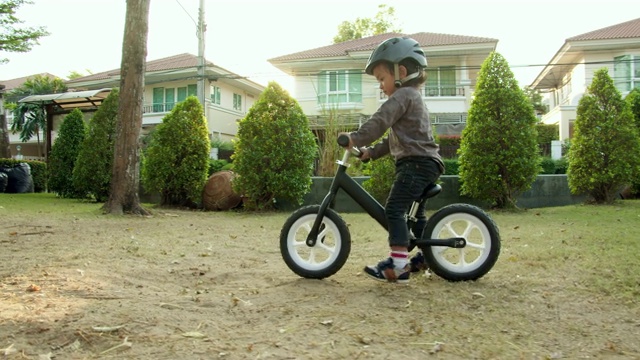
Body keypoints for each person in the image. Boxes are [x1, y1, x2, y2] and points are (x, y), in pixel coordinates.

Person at [340, 37, 444, 284]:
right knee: (414, 217)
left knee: (395, 209)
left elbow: (379, 122)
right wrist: (371, 152)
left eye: (381, 79)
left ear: (401, 72)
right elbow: (392, 138)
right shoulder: (411, 97)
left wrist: (354, 138)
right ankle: (429, 255)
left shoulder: (402, 95)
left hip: (416, 164)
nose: (380, 86)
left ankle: (398, 266)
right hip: (425, 162)